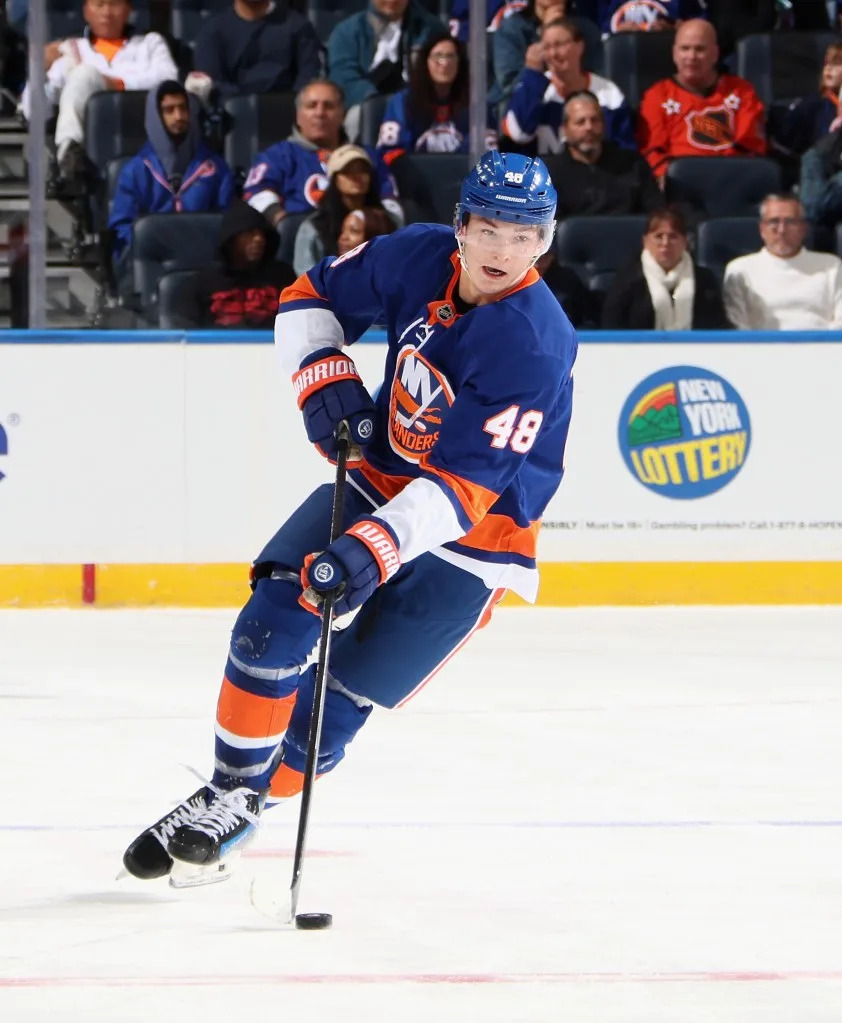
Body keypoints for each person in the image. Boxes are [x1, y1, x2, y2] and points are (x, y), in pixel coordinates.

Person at [122, 150, 577, 885]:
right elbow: (308, 298)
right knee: (275, 610)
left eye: (525, 234)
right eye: (490, 227)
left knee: (341, 699)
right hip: (384, 475)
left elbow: (466, 488)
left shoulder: (535, 339)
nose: (503, 250)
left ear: (545, 240)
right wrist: (321, 376)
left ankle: (243, 801)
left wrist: (373, 550)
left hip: (476, 540)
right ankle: (227, 791)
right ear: (461, 224)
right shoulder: (414, 254)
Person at [20, 0, 178, 189]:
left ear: (129, 10)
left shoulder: (149, 43)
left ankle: (68, 148)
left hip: (139, 126)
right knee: (82, 74)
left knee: (84, 73)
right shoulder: (72, 49)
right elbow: (35, 113)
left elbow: (168, 79)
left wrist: (116, 84)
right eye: (99, 4)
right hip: (91, 139)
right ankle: (70, 156)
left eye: (114, 4)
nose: (107, 13)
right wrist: (38, 70)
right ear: (86, 11)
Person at [243, 80, 400, 262]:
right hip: (301, 243)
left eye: (329, 106)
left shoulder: (366, 157)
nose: (320, 113)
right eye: (311, 106)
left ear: (343, 114)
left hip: (364, 244)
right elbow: (255, 193)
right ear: (298, 115)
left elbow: (391, 201)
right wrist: (283, 221)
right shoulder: (277, 156)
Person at [109, 81, 235, 269]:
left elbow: (227, 220)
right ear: (155, 117)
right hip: (153, 264)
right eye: (169, 110)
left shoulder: (215, 167)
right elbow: (122, 228)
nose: (178, 116)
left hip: (204, 263)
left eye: (183, 108)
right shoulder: (135, 171)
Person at [637, 19, 766, 183]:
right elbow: (652, 152)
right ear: (674, 53)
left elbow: (751, 148)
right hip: (679, 185)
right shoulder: (657, 95)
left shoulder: (742, 91)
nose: (691, 57)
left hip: (732, 181)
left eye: (700, 49)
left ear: (715, 54)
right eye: (685, 49)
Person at [503, 17, 636, 154]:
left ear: (580, 46)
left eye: (559, 45)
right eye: (547, 47)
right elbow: (518, 134)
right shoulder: (532, 89)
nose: (553, 53)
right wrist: (532, 74)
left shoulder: (608, 94)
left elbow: (625, 151)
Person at [166, 199, 296, 329]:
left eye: (262, 234)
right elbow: (186, 335)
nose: (258, 239)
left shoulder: (283, 277)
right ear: (231, 240)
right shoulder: (201, 284)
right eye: (249, 233)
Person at [723, 194, 842, 330]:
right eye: (774, 221)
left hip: (821, 347)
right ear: (762, 229)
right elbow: (738, 326)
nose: (782, 230)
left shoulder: (831, 266)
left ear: (803, 228)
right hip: (760, 349)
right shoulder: (740, 269)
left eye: (790, 222)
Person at [602, 205, 728, 329]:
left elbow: (718, 325)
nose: (665, 243)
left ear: (685, 242)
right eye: (658, 236)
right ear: (645, 241)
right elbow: (611, 325)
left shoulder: (704, 279)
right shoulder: (629, 278)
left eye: (673, 237)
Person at [376, 31, 497, 161]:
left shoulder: (477, 103)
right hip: (414, 178)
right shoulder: (402, 102)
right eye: (437, 56)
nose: (444, 63)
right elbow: (391, 154)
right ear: (425, 62)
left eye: (450, 56)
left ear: (459, 63)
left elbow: (488, 156)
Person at [293, 145, 403, 275]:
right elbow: (305, 276)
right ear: (335, 179)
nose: (357, 177)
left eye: (362, 170)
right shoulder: (313, 227)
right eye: (347, 171)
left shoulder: (388, 221)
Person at [552, 91, 662, 218]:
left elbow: (656, 215)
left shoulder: (633, 165)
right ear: (565, 129)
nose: (589, 127)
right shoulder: (548, 175)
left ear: (603, 125)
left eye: (595, 120)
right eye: (580, 122)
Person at [191, 0, 322, 100]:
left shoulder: (299, 27)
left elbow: (307, 79)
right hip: (233, 116)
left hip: (288, 112)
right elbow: (212, 84)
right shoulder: (212, 31)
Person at [326, 0, 443, 111]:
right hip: (365, 108)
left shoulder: (431, 30)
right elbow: (344, 78)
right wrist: (378, 101)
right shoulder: (347, 32)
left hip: (419, 107)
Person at [774, 42, 842, 159]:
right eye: (826, 63)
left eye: (836, 64)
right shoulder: (813, 105)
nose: (828, 69)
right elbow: (787, 139)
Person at [574, 0, 707, 34]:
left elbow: (701, 27)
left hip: (665, 57)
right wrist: (615, 32)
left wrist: (677, 30)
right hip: (614, 59)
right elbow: (587, 29)